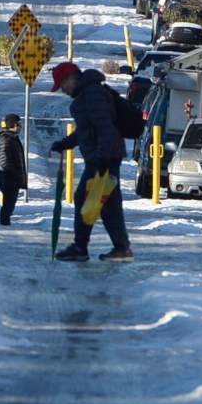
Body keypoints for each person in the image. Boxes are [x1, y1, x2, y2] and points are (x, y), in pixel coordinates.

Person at [48, 61, 133, 262]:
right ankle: (119, 248)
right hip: (104, 156)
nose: (63, 90)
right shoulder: (89, 93)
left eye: (63, 85)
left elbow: (104, 126)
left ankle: (82, 247)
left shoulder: (92, 94)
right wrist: (66, 143)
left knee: (86, 199)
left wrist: (102, 158)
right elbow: (88, 129)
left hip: (104, 158)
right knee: (106, 204)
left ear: (71, 79)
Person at [0, 113, 25, 226]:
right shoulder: (7, 139)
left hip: (12, 177)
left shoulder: (13, 138)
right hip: (8, 177)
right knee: (9, 203)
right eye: (18, 124)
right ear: (13, 125)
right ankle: (4, 224)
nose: (20, 127)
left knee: (11, 202)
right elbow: (4, 160)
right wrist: (13, 173)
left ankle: (5, 222)